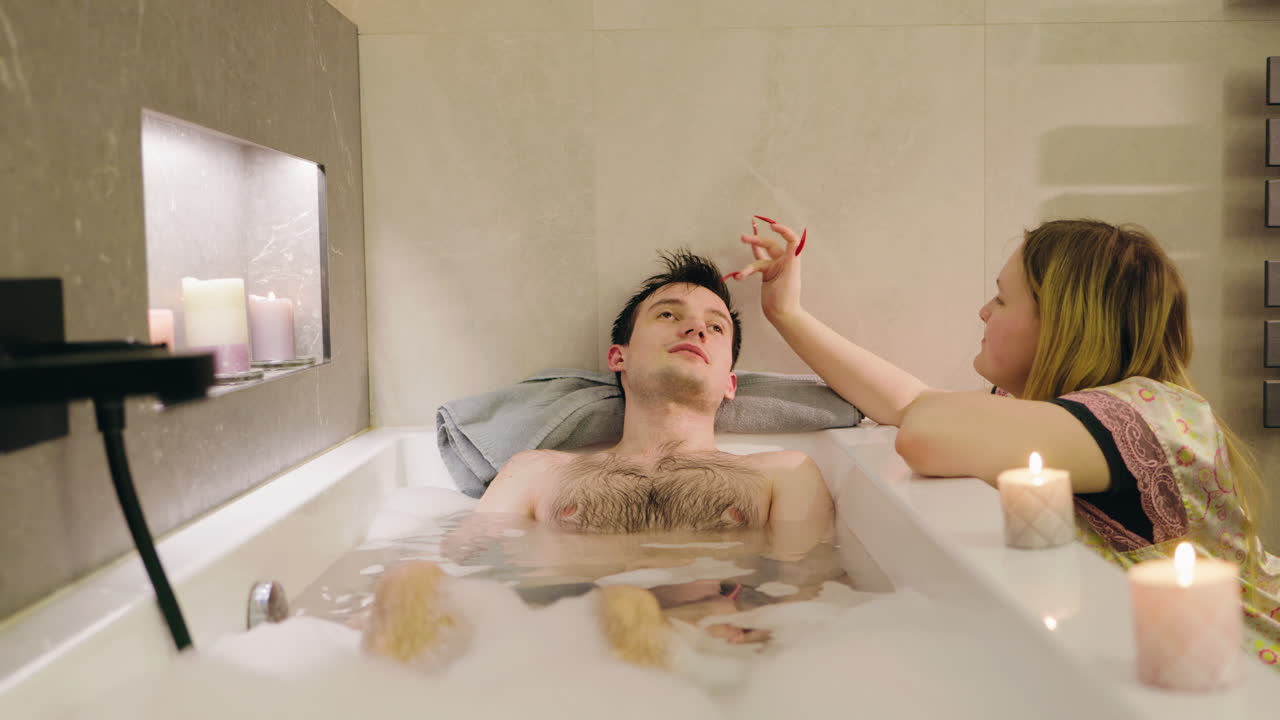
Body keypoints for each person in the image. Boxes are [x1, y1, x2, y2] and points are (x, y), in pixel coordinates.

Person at [727, 216, 1280, 669]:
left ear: (1063, 322)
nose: (984, 312)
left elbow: (922, 431)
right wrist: (786, 312)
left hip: (1251, 671)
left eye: (1002, 299)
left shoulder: (1153, 413)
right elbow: (907, 403)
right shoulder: (1063, 416)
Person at [475, 250, 833, 539]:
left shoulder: (783, 473)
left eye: (715, 327)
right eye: (668, 314)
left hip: (714, 626)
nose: (695, 328)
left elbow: (804, 588)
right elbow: (471, 572)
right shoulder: (535, 472)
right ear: (619, 356)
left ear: (730, 383)